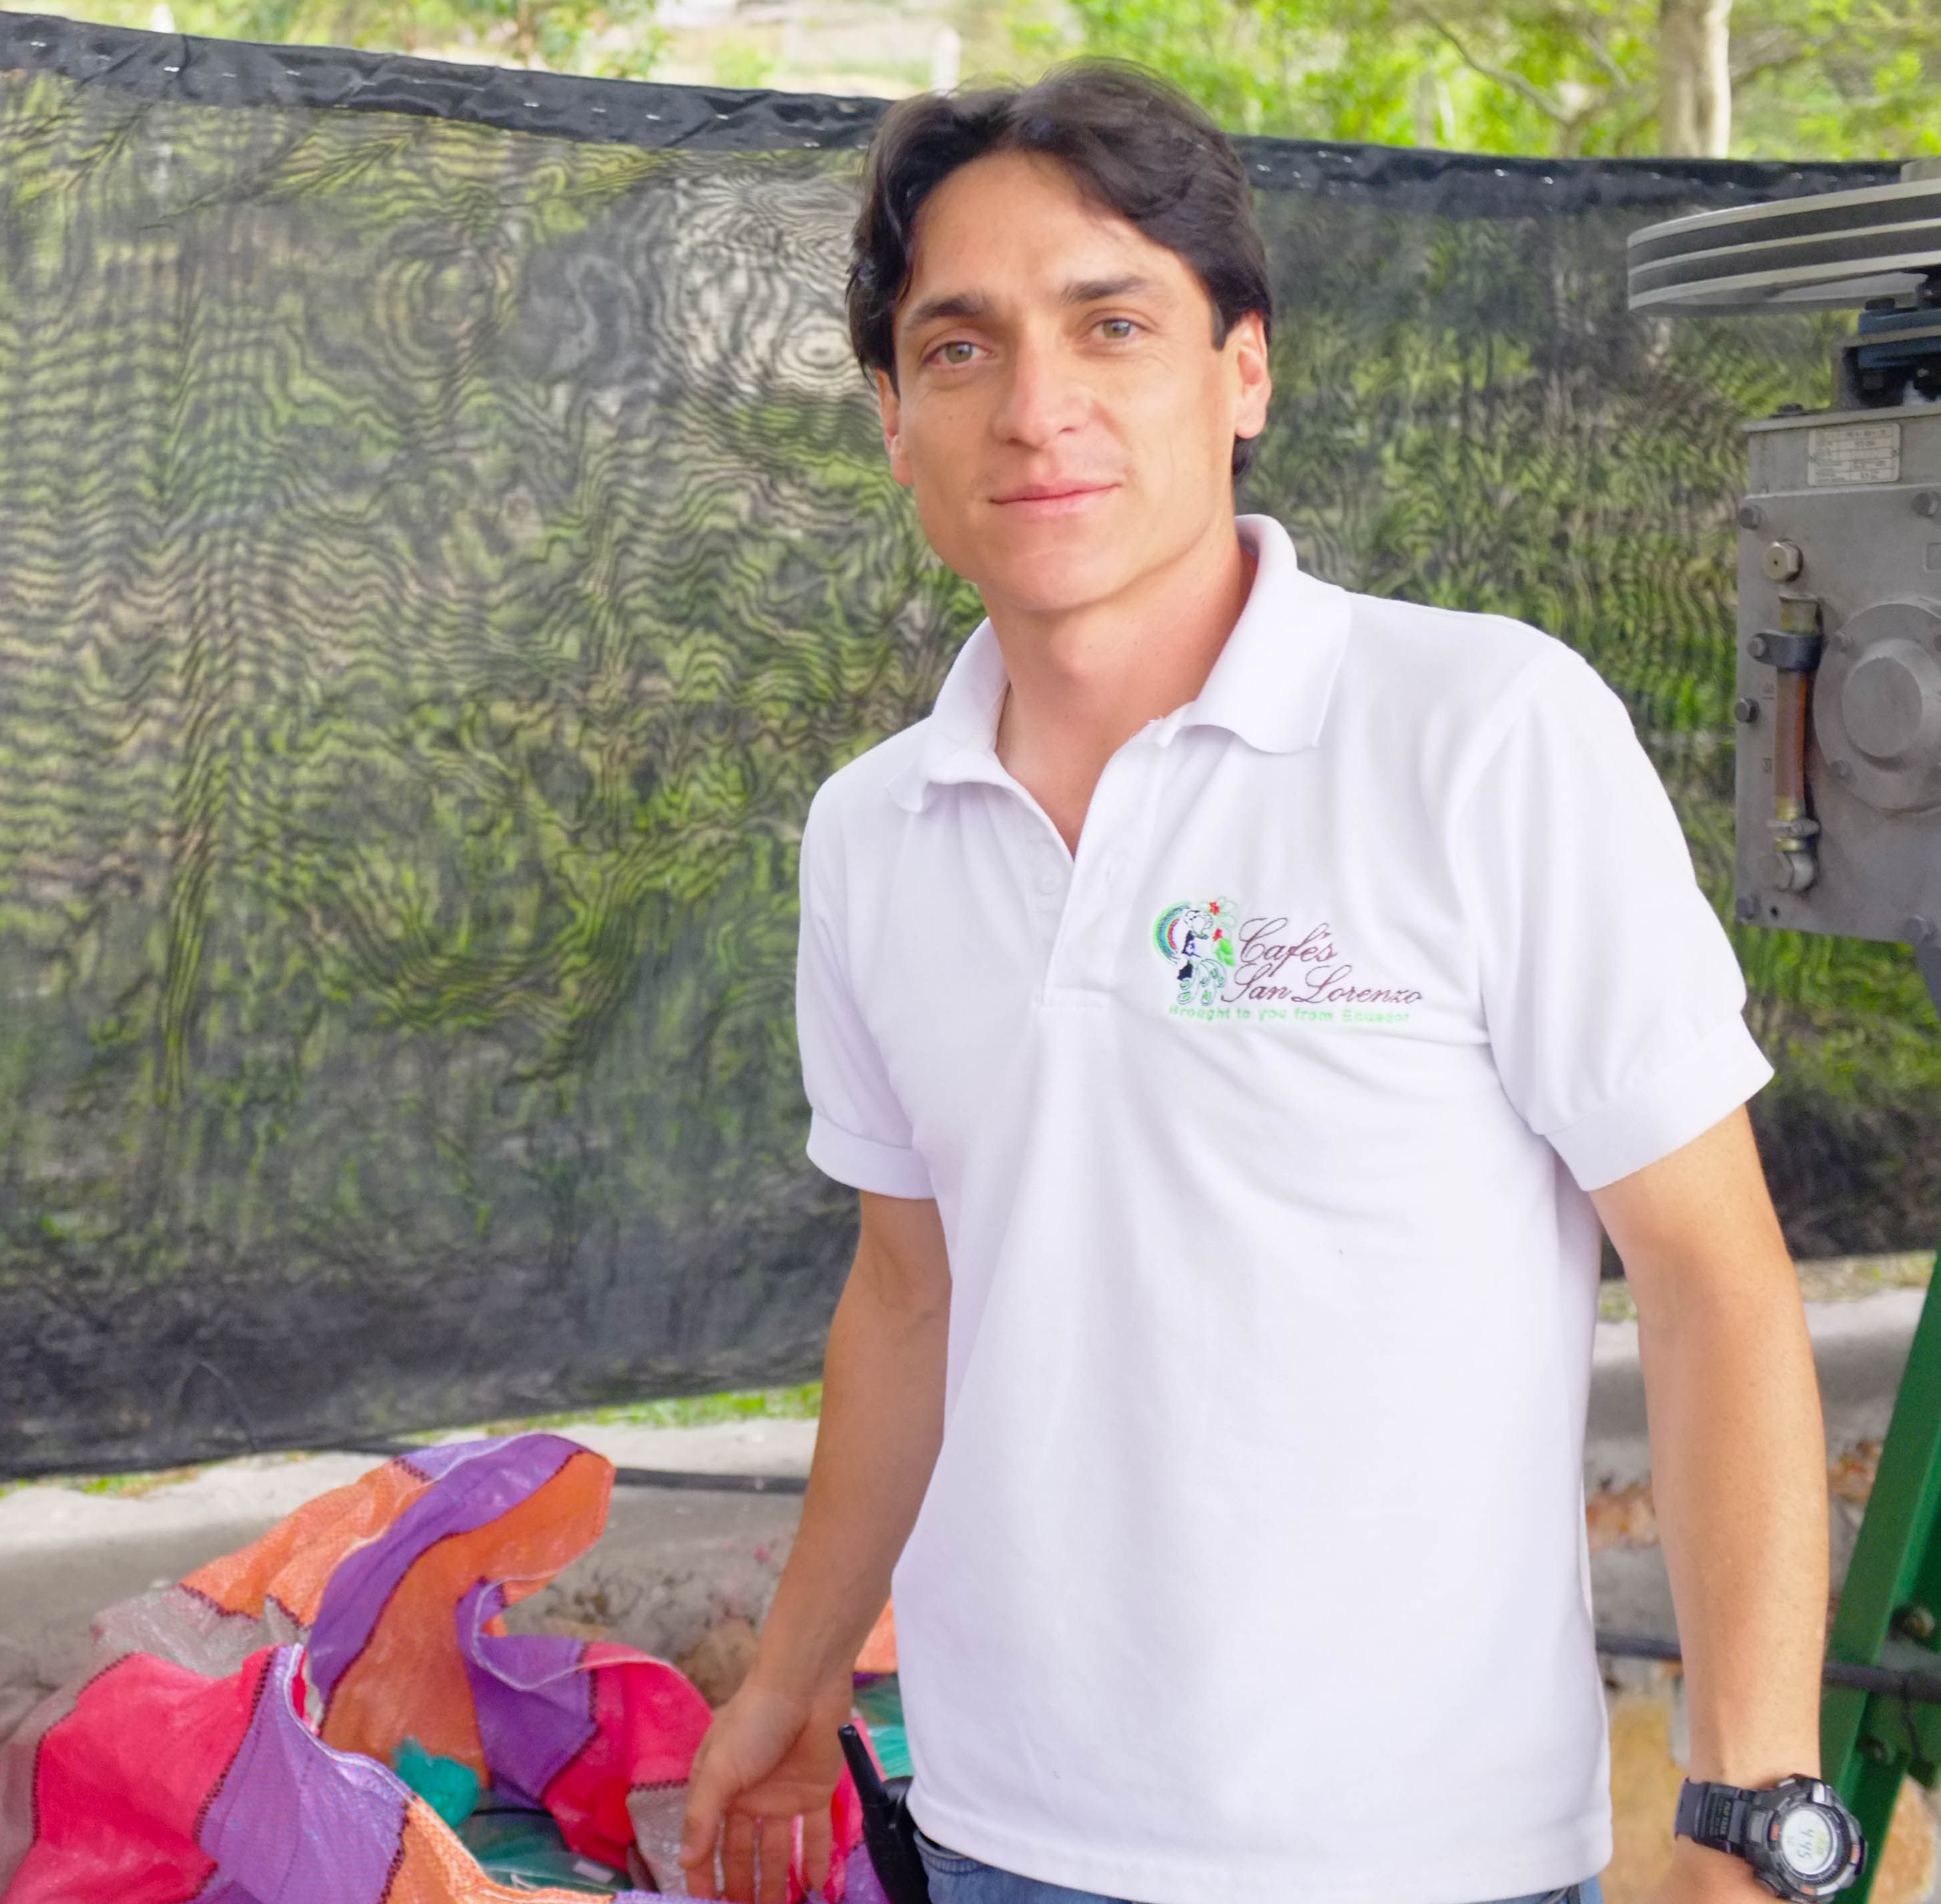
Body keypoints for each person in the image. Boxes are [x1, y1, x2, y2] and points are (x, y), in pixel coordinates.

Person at [677, 62, 1842, 1904]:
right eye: (961, 348)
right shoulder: (871, 831)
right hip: (997, 1835)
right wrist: (796, 1681)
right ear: (894, 417)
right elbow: (910, 1297)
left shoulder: (1484, 732)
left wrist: (1750, 1811)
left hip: (1420, 1857)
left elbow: (1711, 1275)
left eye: (1114, 325)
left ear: (1244, 372)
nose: (1038, 408)